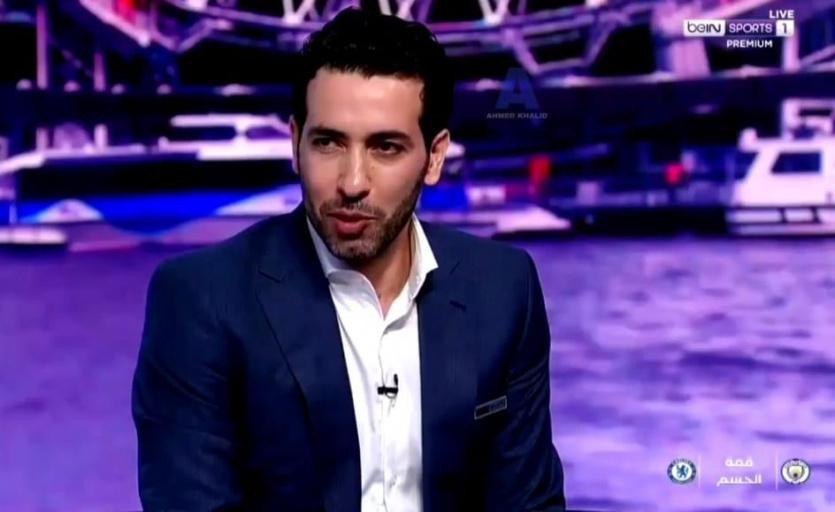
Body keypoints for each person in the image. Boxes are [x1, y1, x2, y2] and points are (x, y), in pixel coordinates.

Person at [132, 7, 565, 511]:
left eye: (386, 147)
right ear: (295, 143)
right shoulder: (201, 300)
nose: (352, 182)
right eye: (328, 143)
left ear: (435, 156)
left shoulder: (504, 289)